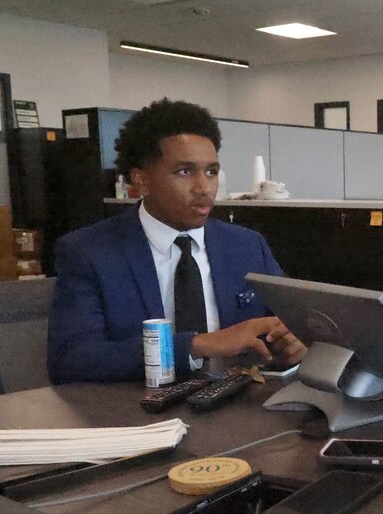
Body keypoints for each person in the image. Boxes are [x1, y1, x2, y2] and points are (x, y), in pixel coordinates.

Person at [48, 98, 306, 384]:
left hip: (237, 401)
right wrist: (196, 346)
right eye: (185, 171)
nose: (204, 187)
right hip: (140, 405)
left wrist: (294, 342)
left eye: (211, 171)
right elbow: (70, 361)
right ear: (142, 181)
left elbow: (295, 324)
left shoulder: (247, 246)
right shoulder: (89, 252)